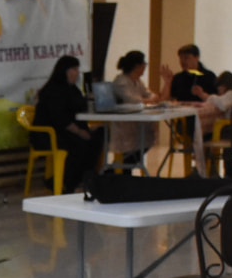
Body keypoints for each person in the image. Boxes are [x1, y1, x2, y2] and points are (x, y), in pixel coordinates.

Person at [32, 55, 103, 193]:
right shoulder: (53, 90)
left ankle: (85, 179)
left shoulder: (72, 89)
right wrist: (79, 131)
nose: (77, 73)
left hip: (69, 130)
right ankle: (66, 183)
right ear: (65, 71)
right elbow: (59, 118)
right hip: (52, 133)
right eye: (74, 69)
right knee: (80, 145)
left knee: (98, 137)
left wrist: (89, 99)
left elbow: (79, 106)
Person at [109, 49, 159, 169]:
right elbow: (134, 100)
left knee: (149, 135)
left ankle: (130, 163)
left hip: (136, 121)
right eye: (144, 64)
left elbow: (149, 95)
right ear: (137, 66)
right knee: (132, 143)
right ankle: (120, 167)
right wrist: (149, 100)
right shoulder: (122, 82)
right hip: (123, 123)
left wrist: (150, 98)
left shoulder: (137, 82)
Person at [193, 71, 232, 176]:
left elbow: (221, 104)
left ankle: (207, 170)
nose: (219, 92)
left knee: (207, 136)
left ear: (224, 86)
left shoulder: (231, 94)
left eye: (219, 89)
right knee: (229, 152)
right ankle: (229, 173)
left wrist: (203, 95)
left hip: (231, 132)